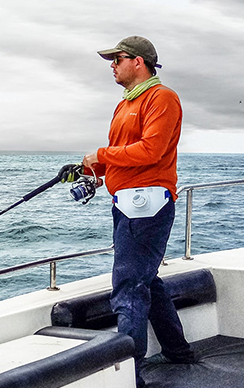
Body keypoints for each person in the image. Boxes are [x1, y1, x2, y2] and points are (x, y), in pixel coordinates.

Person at [82, 36, 195, 387]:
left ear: (139, 62)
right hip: (125, 204)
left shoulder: (163, 98)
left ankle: (130, 377)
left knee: (128, 287)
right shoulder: (124, 105)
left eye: (118, 58)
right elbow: (122, 152)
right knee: (146, 279)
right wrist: (93, 171)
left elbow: (151, 150)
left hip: (148, 206)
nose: (112, 65)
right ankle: (178, 352)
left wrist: (101, 155)